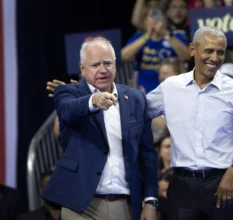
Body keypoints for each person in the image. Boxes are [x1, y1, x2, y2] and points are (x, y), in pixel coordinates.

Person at [147, 26, 233, 219]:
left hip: (223, 185)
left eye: (220, 52)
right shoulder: (171, 87)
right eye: (208, 50)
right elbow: (135, 109)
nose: (215, 58)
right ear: (192, 50)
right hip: (182, 187)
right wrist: (91, 95)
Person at [41, 37, 158, 220]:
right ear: (82, 69)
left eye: (107, 63)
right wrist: (92, 101)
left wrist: (150, 201)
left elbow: (147, 154)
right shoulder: (68, 93)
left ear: (116, 64)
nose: (102, 69)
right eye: (95, 65)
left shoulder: (136, 99)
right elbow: (67, 110)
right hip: (80, 205)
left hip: (124, 203)